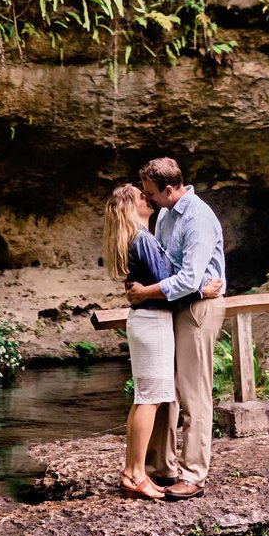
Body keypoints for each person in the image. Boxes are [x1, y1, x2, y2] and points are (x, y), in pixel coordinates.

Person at [127, 156, 228, 497]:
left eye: (151, 193)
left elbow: (188, 277)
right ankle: (161, 467)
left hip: (199, 309)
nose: (148, 199)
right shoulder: (167, 214)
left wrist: (146, 292)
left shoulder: (198, 218)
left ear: (169, 189)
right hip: (174, 306)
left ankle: (194, 475)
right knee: (164, 388)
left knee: (193, 392)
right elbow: (166, 266)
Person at [102, 183, 179, 501]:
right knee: (150, 399)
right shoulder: (143, 239)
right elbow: (167, 280)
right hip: (153, 322)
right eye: (141, 196)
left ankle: (133, 471)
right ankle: (135, 474)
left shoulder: (135, 238)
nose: (148, 197)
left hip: (143, 322)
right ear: (131, 207)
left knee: (144, 398)